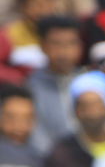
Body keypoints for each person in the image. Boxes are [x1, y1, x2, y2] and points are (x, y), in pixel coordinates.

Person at [26, 15, 85, 155]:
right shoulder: (30, 87)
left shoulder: (88, 83)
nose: (64, 52)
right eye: (56, 44)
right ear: (43, 46)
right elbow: (36, 137)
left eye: (71, 43)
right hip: (48, 161)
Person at [2, 0, 56, 75]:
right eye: (35, 2)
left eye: (47, 1)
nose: (43, 7)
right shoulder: (8, 34)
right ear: (22, 5)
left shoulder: (60, 33)